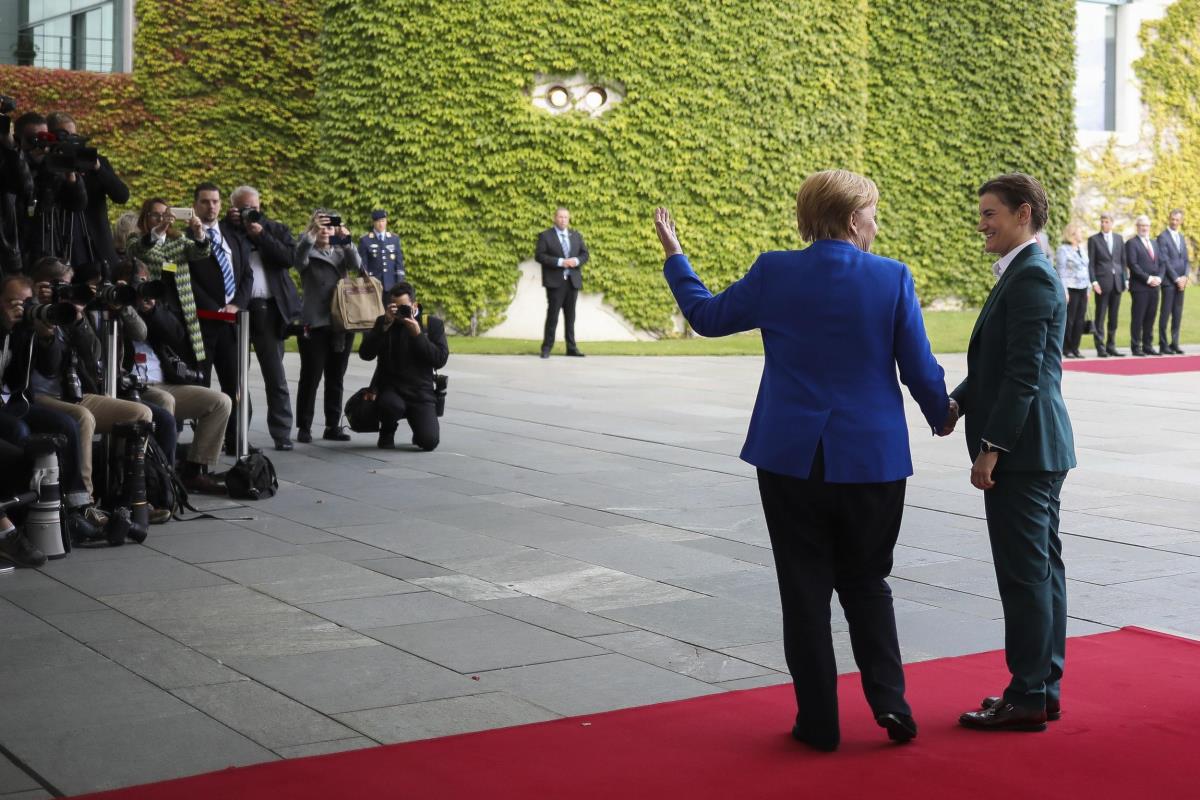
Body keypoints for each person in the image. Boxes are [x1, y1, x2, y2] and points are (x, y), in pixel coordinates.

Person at [653, 169, 952, 751]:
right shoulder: (892, 277)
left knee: (804, 589)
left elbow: (708, 319)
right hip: (872, 457)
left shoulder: (776, 271)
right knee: (867, 581)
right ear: (850, 221)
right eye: (872, 213)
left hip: (791, 458)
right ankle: (890, 703)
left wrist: (676, 257)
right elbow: (917, 367)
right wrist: (942, 414)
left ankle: (818, 723)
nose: (877, 223)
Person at [952, 173, 1076, 733]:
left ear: (1022, 213)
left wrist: (990, 450)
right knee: (1042, 572)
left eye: (989, 214)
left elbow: (1024, 376)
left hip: (1024, 453)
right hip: (1037, 449)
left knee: (1026, 577)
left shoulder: (1031, 278)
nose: (981, 224)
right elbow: (996, 368)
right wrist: (955, 403)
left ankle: (1027, 695)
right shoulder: (1023, 274)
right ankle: (1042, 688)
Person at [115, 259, 228, 494]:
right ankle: (159, 475)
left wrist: (152, 310)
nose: (141, 288)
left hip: (165, 381)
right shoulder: (114, 306)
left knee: (219, 402)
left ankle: (193, 472)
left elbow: (176, 335)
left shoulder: (153, 305)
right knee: (165, 402)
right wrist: (123, 303)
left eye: (145, 282)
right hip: (133, 385)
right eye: (137, 283)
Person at [227, 186, 301, 451]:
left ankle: (282, 434)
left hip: (269, 310)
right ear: (234, 207)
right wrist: (233, 224)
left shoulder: (274, 228)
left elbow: (288, 258)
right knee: (235, 376)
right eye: (244, 208)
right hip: (240, 310)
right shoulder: (230, 231)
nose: (251, 212)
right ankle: (236, 435)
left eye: (254, 208)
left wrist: (262, 235)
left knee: (275, 375)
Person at [187, 182, 253, 454]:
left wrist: (237, 304)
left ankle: (237, 441)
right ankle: (202, 448)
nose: (211, 206)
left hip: (232, 324)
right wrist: (214, 307)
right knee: (200, 389)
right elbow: (187, 281)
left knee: (237, 385)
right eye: (205, 202)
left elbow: (246, 274)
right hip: (202, 324)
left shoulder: (232, 235)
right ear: (196, 204)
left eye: (215, 201)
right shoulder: (186, 239)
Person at [294, 209, 360, 443]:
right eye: (321, 226)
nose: (326, 230)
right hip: (315, 321)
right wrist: (311, 232)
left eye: (330, 227)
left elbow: (358, 266)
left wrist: (347, 238)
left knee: (336, 376)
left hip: (341, 321)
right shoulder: (306, 249)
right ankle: (304, 426)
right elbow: (298, 259)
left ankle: (332, 425)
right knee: (311, 376)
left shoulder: (341, 250)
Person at [359, 282, 448, 451]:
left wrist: (418, 335)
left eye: (404, 307)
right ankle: (387, 430)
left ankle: (418, 426)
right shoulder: (384, 322)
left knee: (429, 442)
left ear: (414, 305)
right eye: (394, 307)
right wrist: (384, 326)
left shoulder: (431, 324)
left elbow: (440, 360)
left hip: (421, 391)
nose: (399, 312)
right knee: (390, 405)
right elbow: (365, 354)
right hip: (391, 389)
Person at [127, 197, 211, 366]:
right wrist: (159, 229)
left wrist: (199, 233)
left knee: (184, 356)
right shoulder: (136, 238)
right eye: (156, 215)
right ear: (146, 216)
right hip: (151, 308)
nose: (160, 219)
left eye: (165, 215)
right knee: (159, 358)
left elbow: (201, 253)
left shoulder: (178, 239)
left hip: (180, 307)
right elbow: (137, 251)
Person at [45, 111, 129, 269]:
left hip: (98, 242)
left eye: (74, 136)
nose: (69, 141)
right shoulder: (49, 166)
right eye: (63, 136)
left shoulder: (95, 163)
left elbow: (122, 196)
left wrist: (97, 168)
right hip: (65, 245)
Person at [13, 112, 87, 269]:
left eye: (44, 138)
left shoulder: (52, 167)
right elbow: (25, 189)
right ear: (18, 140)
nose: (40, 144)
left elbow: (77, 204)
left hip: (50, 248)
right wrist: (31, 161)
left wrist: (70, 173)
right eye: (34, 139)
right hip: (17, 251)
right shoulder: (11, 166)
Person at [535, 207, 588, 358]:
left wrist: (576, 260)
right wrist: (560, 262)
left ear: (568, 219)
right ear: (555, 218)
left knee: (571, 317)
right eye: (560, 217)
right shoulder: (545, 236)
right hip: (555, 282)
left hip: (572, 282)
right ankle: (546, 348)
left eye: (566, 217)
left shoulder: (576, 235)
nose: (563, 220)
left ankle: (571, 348)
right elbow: (540, 256)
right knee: (553, 316)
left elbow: (585, 254)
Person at [1086, 212, 1126, 357]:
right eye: (1102, 221)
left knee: (1113, 316)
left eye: (1106, 221)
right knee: (1100, 316)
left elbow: (1123, 261)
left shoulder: (1119, 239)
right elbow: (1090, 263)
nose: (1103, 224)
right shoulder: (1094, 240)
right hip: (1102, 284)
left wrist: (1125, 280)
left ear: (1112, 223)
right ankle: (1100, 347)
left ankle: (1111, 345)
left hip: (1117, 284)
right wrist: (1094, 281)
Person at [1125, 214, 1164, 356]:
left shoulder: (1154, 243)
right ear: (1137, 227)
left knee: (1150, 317)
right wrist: (1148, 279)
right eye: (1142, 225)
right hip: (1140, 287)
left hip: (1155, 287)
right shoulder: (1131, 243)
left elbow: (1161, 263)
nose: (1144, 228)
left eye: (1146, 226)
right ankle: (1136, 347)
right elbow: (1133, 264)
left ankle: (1148, 345)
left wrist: (1159, 278)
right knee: (1138, 317)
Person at [1054, 223, 1090, 359]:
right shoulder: (1063, 250)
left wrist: (1089, 288)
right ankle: (1066, 348)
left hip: (1083, 287)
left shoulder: (1082, 248)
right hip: (1071, 288)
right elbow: (1061, 272)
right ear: (1073, 234)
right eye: (1080, 232)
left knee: (1080, 319)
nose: (1081, 235)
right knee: (1070, 319)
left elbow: (1087, 268)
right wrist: (1064, 291)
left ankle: (1076, 347)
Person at [1156, 209, 1188, 355]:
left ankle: (1174, 344)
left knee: (1177, 314)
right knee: (1165, 314)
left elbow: (1186, 260)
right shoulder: (1162, 237)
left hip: (1181, 283)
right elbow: (1165, 260)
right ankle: (1163, 345)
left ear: (1181, 221)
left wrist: (1185, 277)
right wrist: (1176, 278)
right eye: (1172, 219)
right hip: (1169, 282)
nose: (1174, 222)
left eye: (1177, 220)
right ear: (1169, 219)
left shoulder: (1181, 237)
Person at [358, 209, 404, 292]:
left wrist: (400, 283)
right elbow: (363, 265)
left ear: (386, 221)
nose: (381, 224)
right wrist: (366, 284)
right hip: (373, 285)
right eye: (378, 221)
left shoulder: (394, 239)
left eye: (383, 221)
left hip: (392, 285)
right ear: (373, 223)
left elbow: (399, 263)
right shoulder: (365, 240)